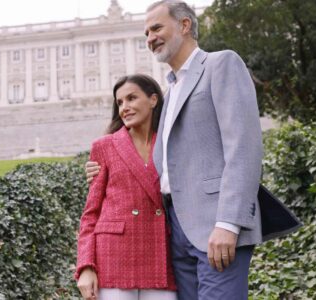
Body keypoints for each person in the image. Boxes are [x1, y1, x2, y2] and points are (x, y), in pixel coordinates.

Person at [86, 1, 264, 299]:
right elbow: (158, 157)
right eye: (146, 32)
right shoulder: (169, 91)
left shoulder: (221, 64)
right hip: (174, 231)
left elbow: (243, 149)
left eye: (156, 28)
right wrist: (102, 166)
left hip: (214, 223)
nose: (150, 37)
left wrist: (228, 223)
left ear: (184, 25)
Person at [76, 74, 177, 300]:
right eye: (120, 102)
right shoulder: (104, 146)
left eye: (132, 98)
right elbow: (90, 214)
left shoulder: (171, 142)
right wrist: (85, 265)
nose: (125, 107)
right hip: (113, 257)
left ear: (153, 100)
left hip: (160, 252)